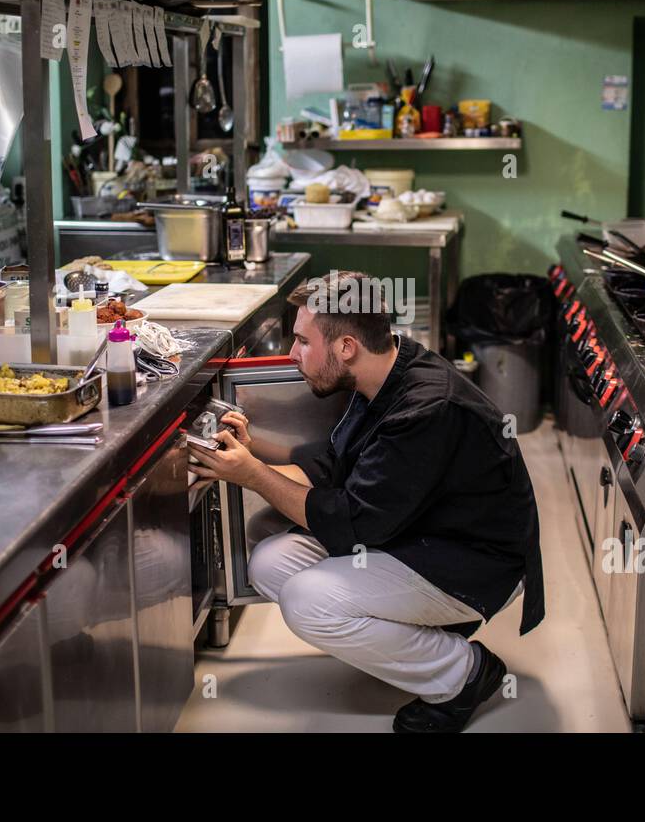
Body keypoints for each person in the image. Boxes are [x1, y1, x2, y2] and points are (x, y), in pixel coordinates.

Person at [188, 270, 544, 732]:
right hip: (413, 532)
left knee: (306, 600)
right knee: (271, 562)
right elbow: (329, 475)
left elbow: (353, 523)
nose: (293, 355)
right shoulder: (381, 377)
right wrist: (249, 458)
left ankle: (463, 674)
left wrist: (252, 476)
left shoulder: (426, 408)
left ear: (346, 347)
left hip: (472, 562)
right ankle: (419, 642)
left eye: (302, 342)